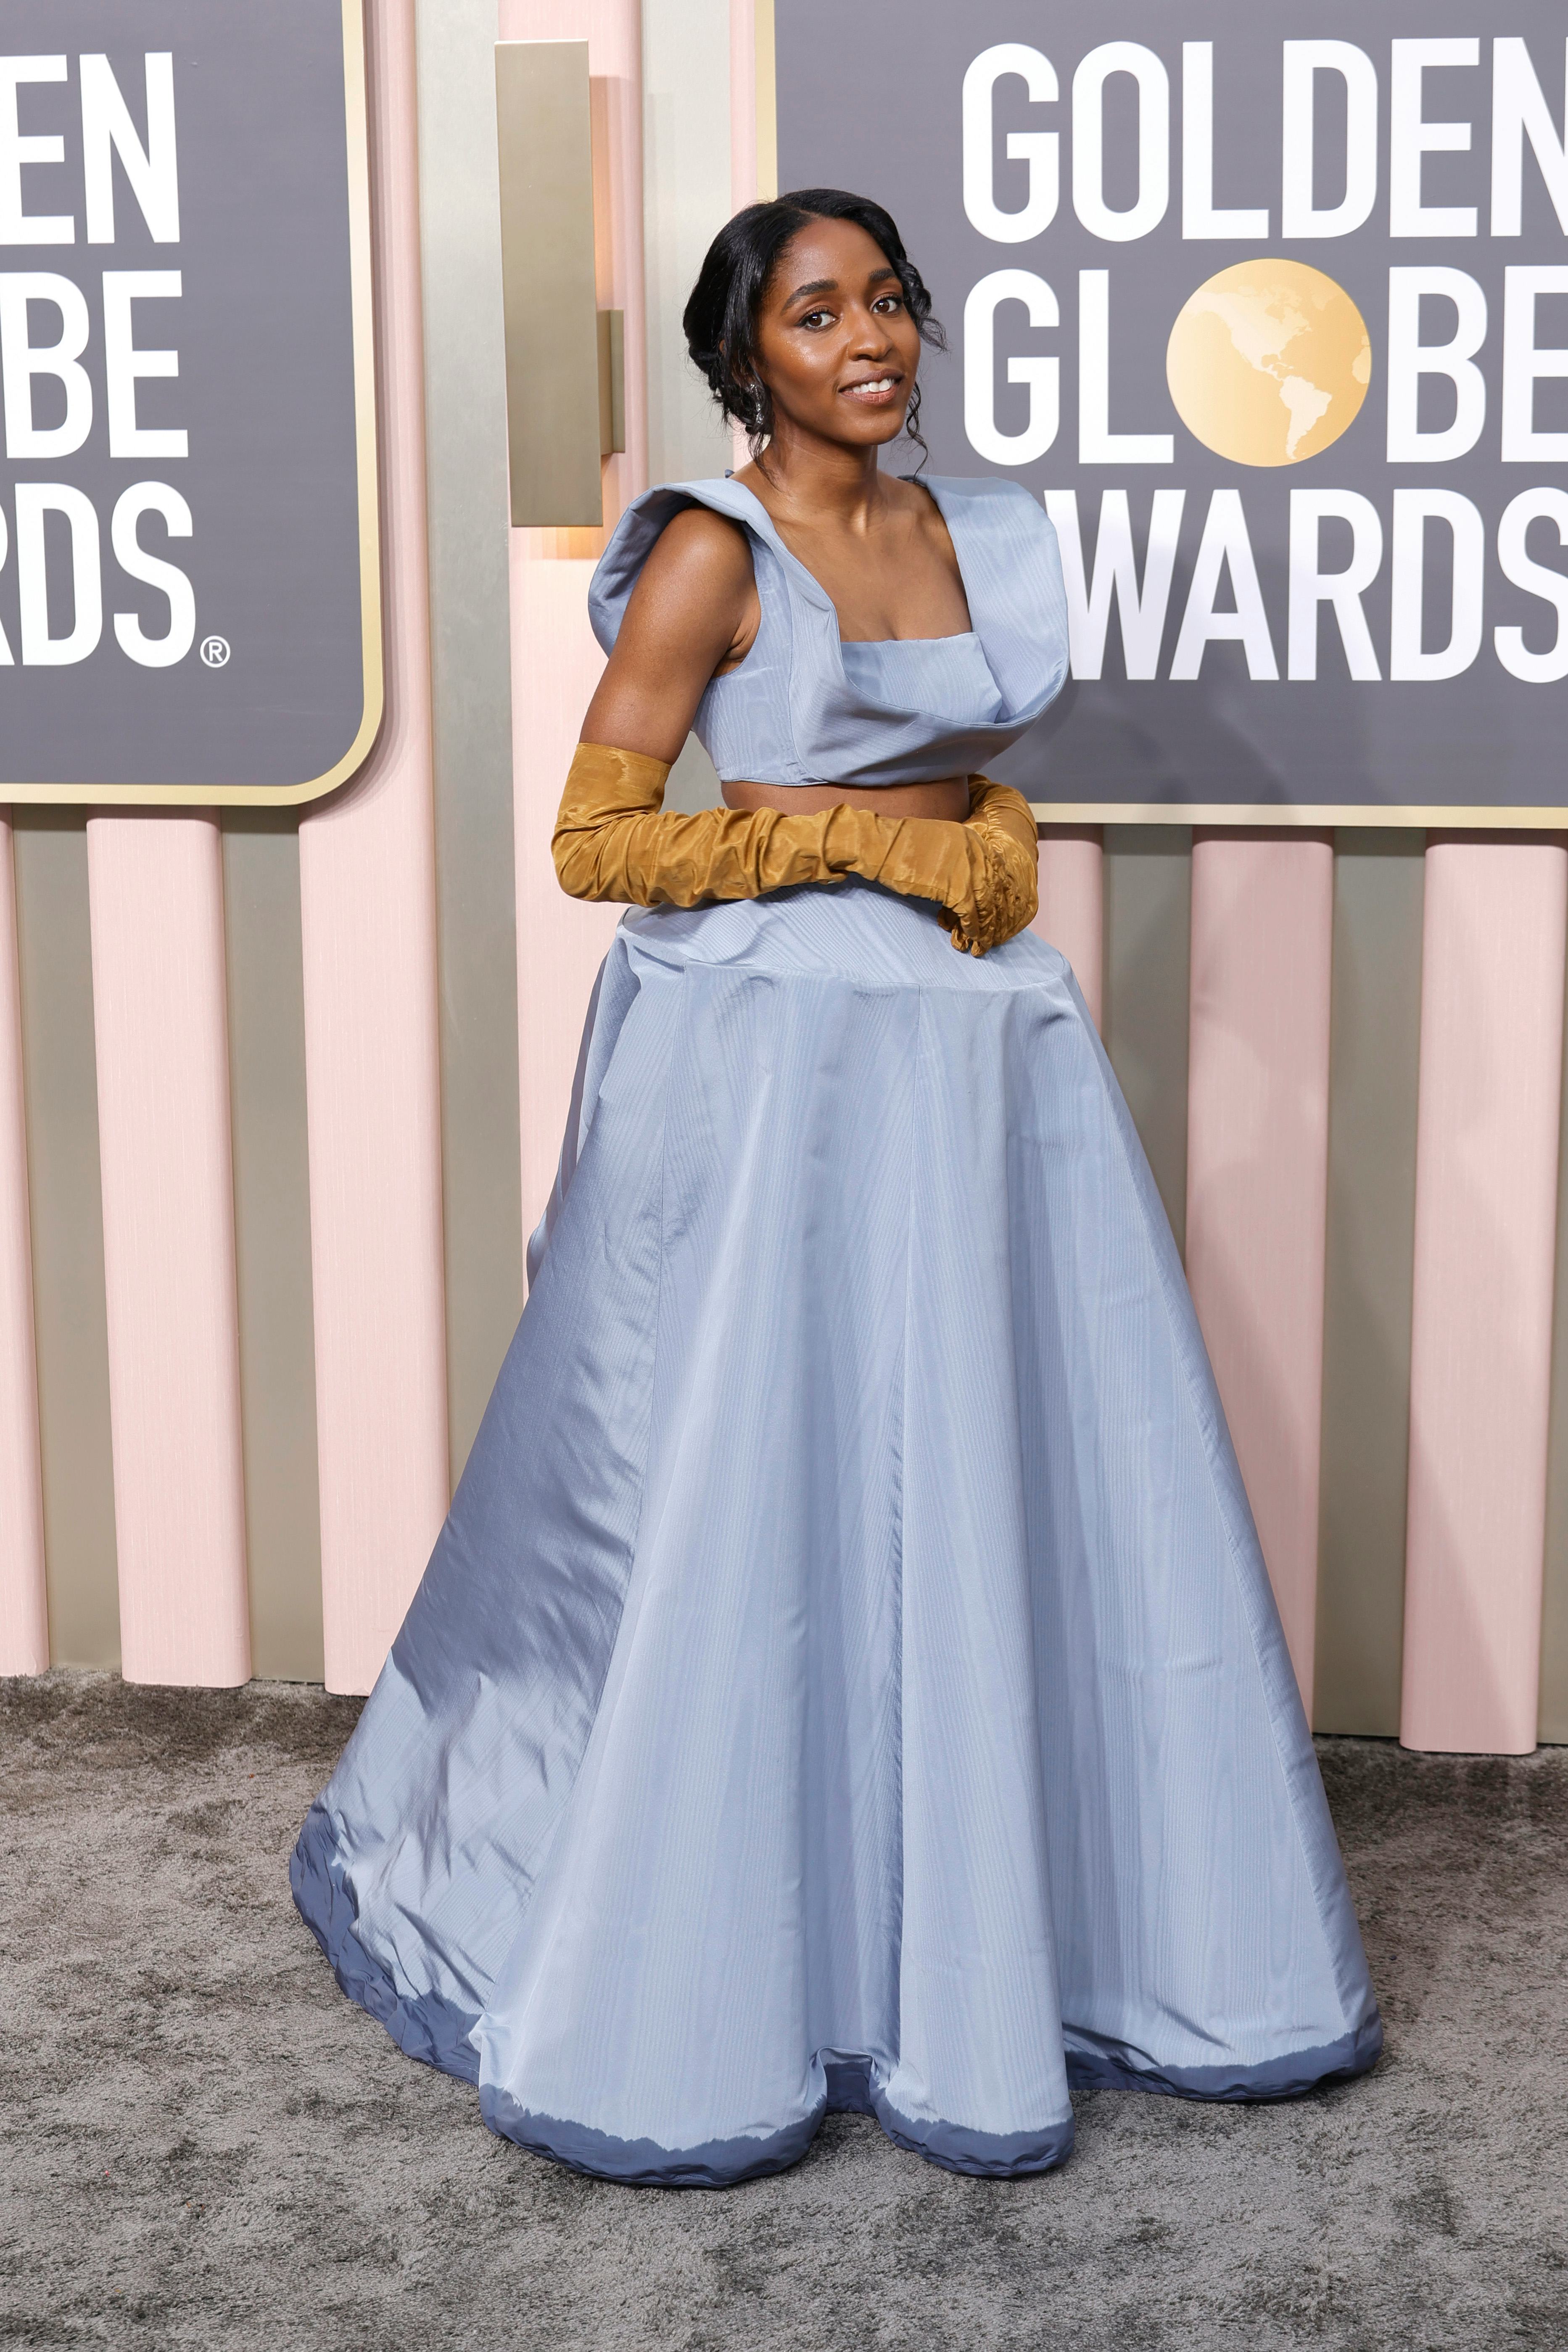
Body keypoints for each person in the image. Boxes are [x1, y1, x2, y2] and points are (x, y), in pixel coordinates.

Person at [293, 189, 1381, 2187]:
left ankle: (1004, 1927)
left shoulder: (974, 529)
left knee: (995, 1451)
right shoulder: (713, 551)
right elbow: (599, 839)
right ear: (745, 357)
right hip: (776, 1059)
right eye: (816, 313)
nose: (869, 337)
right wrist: (853, 847)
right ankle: (718, 1935)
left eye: (888, 300)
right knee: (761, 1467)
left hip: (976, 1046)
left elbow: (946, 760)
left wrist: (982, 827)